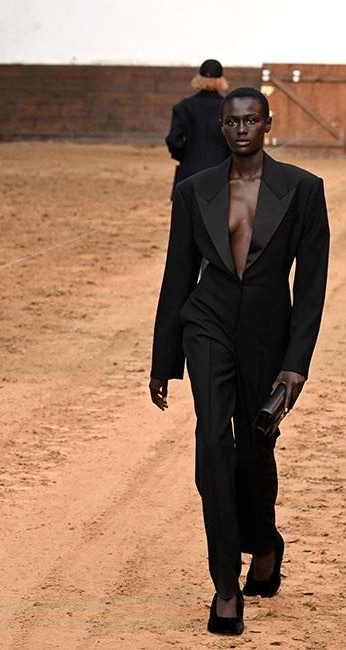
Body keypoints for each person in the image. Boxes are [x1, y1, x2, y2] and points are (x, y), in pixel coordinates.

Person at [149, 87, 329, 635]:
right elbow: (177, 274)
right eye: (234, 121)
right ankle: (225, 586)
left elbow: (313, 284)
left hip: (269, 332)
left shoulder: (302, 189)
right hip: (207, 321)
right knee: (212, 444)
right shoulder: (195, 190)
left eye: (253, 119)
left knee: (255, 451)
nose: (243, 128)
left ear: (268, 124)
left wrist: (295, 364)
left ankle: (266, 545)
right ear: (221, 129)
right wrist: (163, 359)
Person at [166, 59, 230, 193]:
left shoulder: (183, 107)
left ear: (198, 79)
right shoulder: (229, 108)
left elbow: (173, 140)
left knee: (188, 212)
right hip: (220, 173)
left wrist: (185, 156)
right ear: (221, 80)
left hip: (189, 172)